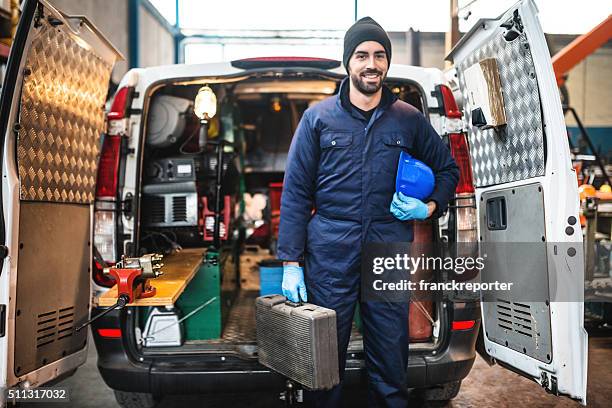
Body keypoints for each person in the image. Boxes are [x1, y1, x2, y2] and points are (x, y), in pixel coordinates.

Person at [277, 17, 459, 407]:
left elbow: (448, 171)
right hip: (330, 249)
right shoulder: (318, 118)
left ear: (387, 63)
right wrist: (291, 261)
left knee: (390, 355)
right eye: (362, 55)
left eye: (379, 55)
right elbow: (295, 193)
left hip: (386, 248)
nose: (371, 63)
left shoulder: (407, 118)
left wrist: (427, 206)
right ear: (348, 63)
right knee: (322, 355)